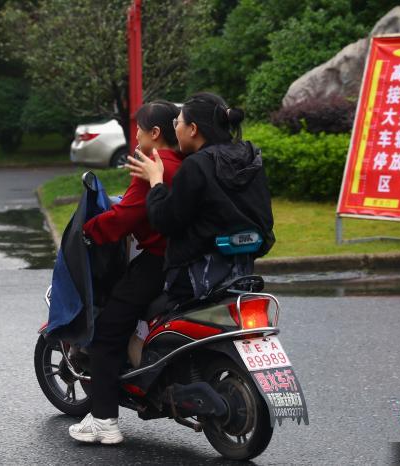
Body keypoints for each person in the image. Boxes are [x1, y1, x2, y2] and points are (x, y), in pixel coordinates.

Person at [68, 100, 183, 444]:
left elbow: (126, 217)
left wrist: (89, 231)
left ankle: (105, 420)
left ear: (155, 133)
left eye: (139, 129)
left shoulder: (154, 166)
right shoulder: (189, 163)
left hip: (156, 262)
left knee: (106, 333)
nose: (135, 136)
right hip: (186, 262)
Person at [127, 92, 274, 303]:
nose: (175, 128)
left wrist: (156, 180)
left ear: (193, 129)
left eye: (178, 122)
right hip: (243, 274)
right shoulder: (249, 156)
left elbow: (165, 221)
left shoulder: (196, 165)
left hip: (194, 279)